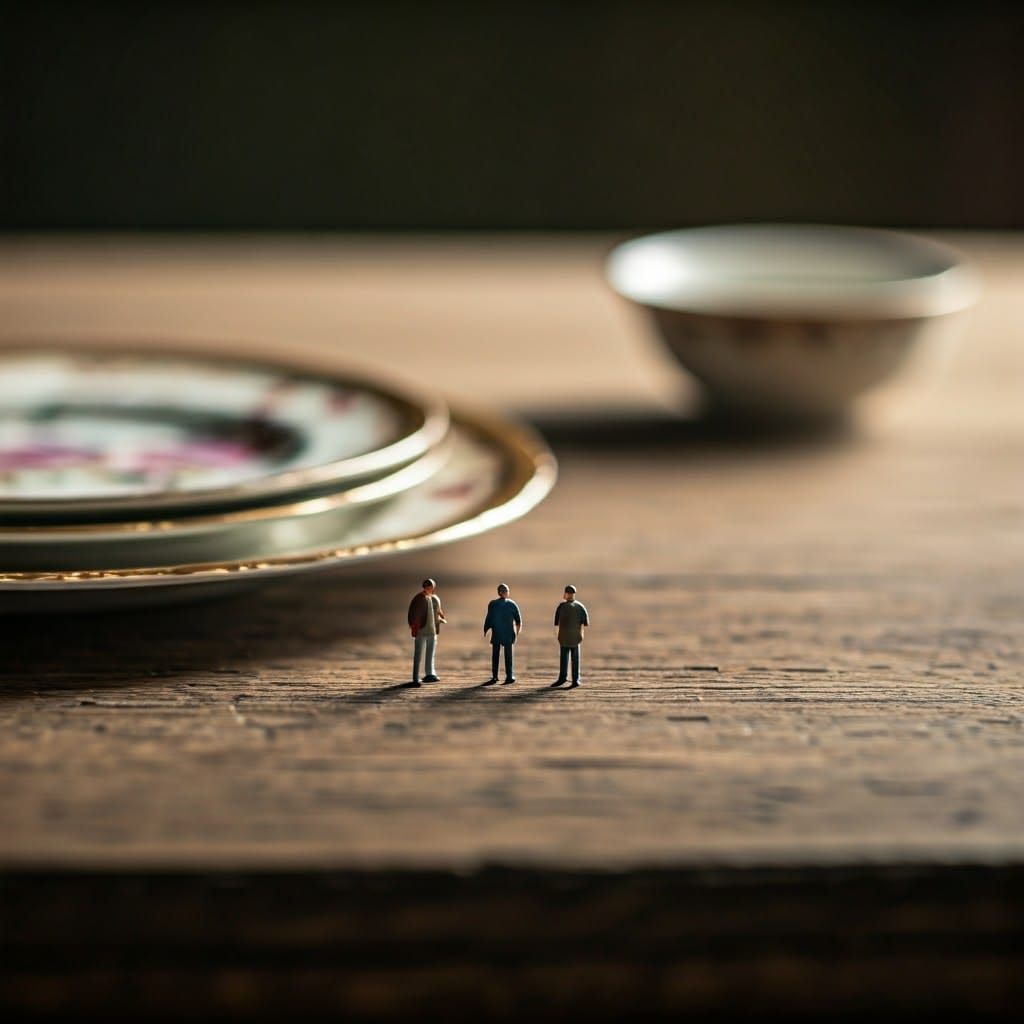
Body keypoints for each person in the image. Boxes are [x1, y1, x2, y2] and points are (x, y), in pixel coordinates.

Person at [407, 578, 446, 686]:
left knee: (430, 653)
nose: (428, 588)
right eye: (426, 587)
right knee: (418, 654)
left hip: (432, 631)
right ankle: (415, 677)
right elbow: (412, 614)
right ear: (424, 587)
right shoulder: (419, 598)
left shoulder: (434, 599)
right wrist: (413, 625)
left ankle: (430, 673)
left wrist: (440, 619)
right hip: (421, 630)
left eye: (430, 587)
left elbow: (437, 611)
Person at [483, 583, 522, 684]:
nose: (505, 592)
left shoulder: (507, 604)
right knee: (499, 655)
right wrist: (486, 628)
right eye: (504, 591)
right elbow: (489, 617)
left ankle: (506, 675)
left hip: (505, 633)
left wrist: (517, 631)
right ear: (500, 592)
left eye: (506, 590)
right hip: (501, 633)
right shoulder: (497, 604)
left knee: (505, 655)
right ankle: (498, 676)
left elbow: (518, 620)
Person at [551, 585, 588, 688]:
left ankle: (573, 679)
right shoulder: (571, 607)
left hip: (573, 637)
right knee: (566, 658)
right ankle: (566, 678)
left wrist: (581, 635)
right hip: (566, 637)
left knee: (572, 658)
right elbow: (557, 624)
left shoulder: (576, 607)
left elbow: (583, 624)